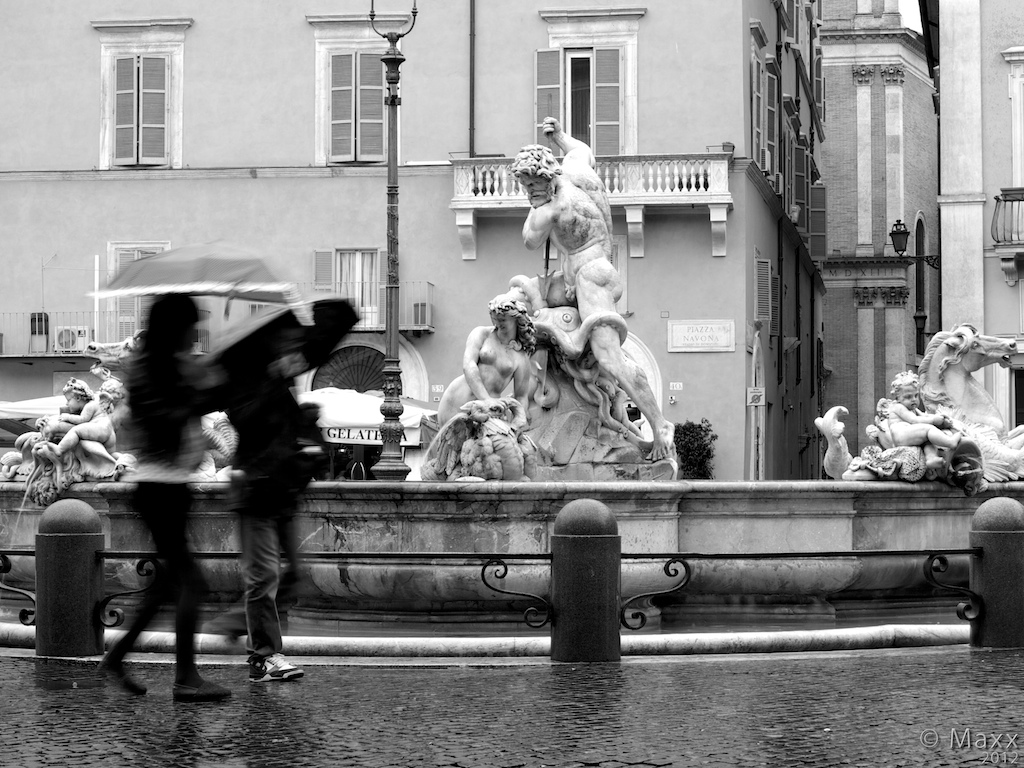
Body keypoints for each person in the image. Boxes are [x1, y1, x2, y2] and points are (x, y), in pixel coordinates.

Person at [500, 117, 676, 461]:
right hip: (588, 273)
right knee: (519, 296)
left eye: (534, 186)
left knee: (610, 357)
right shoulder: (576, 169)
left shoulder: (551, 208)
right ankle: (533, 404)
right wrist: (560, 137)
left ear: (547, 178)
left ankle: (659, 424)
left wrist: (536, 207)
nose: (530, 192)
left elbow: (529, 241)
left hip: (590, 277)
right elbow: (582, 149)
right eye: (526, 187)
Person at [99, 294, 231, 703]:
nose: (195, 334)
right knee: (192, 583)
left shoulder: (157, 368)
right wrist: (197, 396)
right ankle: (186, 678)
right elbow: (165, 420)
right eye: (191, 326)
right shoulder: (157, 371)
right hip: (162, 487)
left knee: (170, 585)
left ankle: (118, 657)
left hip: (163, 486)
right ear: (175, 328)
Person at [210, 324, 325, 683]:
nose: (299, 358)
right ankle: (265, 656)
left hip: (283, 495)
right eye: (291, 351)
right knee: (264, 577)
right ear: (275, 356)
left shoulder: (285, 390)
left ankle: (231, 623)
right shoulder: (248, 385)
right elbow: (246, 420)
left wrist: (308, 439)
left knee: (292, 575)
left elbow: (293, 438)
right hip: (256, 493)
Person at [436, 297, 537, 429]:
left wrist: (519, 423)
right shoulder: (482, 334)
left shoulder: (521, 356)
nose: (498, 323)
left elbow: (521, 396)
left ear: (515, 319)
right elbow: (468, 365)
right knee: (450, 447)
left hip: (489, 411)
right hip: (458, 398)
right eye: (495, 319)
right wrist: (485, 399)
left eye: (502, 320)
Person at [870, 370, 960, 470]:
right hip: (901, 436)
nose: (913, 399)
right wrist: (934, 421)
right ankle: (950, 442)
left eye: (916, 395)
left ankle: (931, 458)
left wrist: (940, 417)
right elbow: (914, 420)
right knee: (927, 429)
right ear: (897, 398)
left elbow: (925, 417)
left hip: (908, 434)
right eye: (908, 397)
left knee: (927, 440)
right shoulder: (898, 407)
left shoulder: (912, 409)